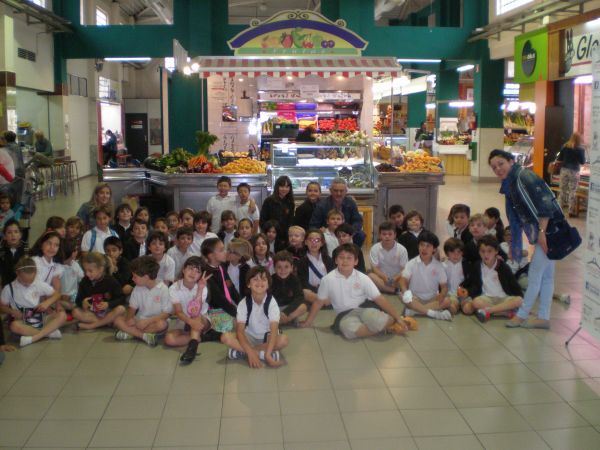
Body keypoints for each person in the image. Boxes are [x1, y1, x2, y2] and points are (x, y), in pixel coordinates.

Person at [489, 148, 563, 329]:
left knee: (535, 273)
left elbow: (545, 205)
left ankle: (521, 315)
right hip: (544, 231)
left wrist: (543, 234)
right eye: (494, 167)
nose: (498, 169)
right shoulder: (511, 184)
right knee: (546, 276)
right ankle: (544, 317)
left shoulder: (523, 177)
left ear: (511, 162)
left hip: (548, 230)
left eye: (501, 164)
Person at [300, 243, 410, 339]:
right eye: (341, 257)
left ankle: (392, 321)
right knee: (348, 331)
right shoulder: (327, 279)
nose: (345, 261)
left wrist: (397, 317)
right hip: (344, 314)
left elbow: (379, 299)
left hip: (365, 308)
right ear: (336, 260)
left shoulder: (363, 277)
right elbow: (318, 302)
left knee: (380, 321)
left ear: (356, 261)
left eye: (349, 258)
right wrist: (308, 322)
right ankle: (386, 329)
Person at [222, 266, 288, 367]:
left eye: (263, 279)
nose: (259, 283)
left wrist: (268, 354)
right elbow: (240, 331)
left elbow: (274, 330)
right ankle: (257, 353)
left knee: (283, 340)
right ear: (249, 284)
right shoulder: (243, 303)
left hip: (267, 337)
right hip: (249, 336)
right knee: (225, 337)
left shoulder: (272, 302)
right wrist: (251, 352)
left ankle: (244, 351)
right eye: (255, 279)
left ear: (268, 284)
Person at [0, 256, 67, 347]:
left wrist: (47, 303)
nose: (28, 284)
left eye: (31, 281)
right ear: (17, 273)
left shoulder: (37, 283)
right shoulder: (9, 289)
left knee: (62, 315)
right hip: (23, 320)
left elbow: (57, 294)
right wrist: (12, 311)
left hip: (39, 317)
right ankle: (49, 332)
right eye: (25, 281)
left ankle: (34, 338)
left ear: (35, 274)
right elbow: (2, 307)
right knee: (14, 326)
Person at [460, 236, 523, 323]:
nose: (486, 255)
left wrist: (521, 301)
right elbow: (473, 284)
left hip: (504, 298)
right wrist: (466, 291)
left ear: (496, 251)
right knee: (476, 302)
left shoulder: (503, 267)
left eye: (489, 251)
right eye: (482, 251)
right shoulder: (477, 266)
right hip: (487, 298)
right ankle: (504, 312)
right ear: (479, 252)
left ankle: (488, 311)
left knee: (519, 300)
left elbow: (515, 286)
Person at [113, 256, 171, 346]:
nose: (132, 279)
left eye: (135, 277)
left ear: (146, 277)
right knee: (117, 320)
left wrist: (147, 322)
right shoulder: (137, 288)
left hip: (154, 321)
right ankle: (143, 336)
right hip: (139, 320)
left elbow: (166, 314)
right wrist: (129, 319)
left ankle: (130, 333)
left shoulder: (163, 289)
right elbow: (132, 308)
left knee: (162, 325)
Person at [165, 256, 212, 364]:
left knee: (195, 315)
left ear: (200, 276)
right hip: (184, 320)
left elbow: (195, 311)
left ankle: (192, 349)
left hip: (202, 319)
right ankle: (199, 337)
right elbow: (179, 312)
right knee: (169, 339)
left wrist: (200, 289)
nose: (193, 273)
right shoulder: (174, 288)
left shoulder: (202, 287)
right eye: (191, 268)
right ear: (183, 269)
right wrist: (190, 322)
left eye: (198, 271)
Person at [399, 231, 452, 321]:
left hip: (432, 298)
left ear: (434, 249)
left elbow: (444, 286)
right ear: (418, 246)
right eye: (422, 245)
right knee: (402, 296)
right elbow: (403, 280)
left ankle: (415, 311)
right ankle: (433, 313)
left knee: (447, 301)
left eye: (428, 246)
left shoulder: (439, 266)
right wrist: (406, 292)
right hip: (415, 297)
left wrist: (442, 294)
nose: (424, 248)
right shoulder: (411, 263)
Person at [72, 252, 126, 330]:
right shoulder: (84, 281)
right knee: (75, 312)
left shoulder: (111, 281)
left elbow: (122, 298)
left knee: (121, 309)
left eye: (90, 271)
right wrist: (83, 303)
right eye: (85, 271)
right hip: (93, 313)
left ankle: (93, 325)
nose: (87, 274)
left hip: (108, 312)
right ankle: (106, 322)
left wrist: (108, 304)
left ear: (101, 269)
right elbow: (78, 300)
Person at [309, 178, 365, 247]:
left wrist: (350, 231)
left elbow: (358, 221)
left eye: (341, 191)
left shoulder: (351, 203)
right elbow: (313, 225)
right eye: (336, 191)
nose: (339, 193)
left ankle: (353, 254)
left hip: (346, 232)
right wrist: (319, 231)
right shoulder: (321, 205)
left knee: (361, 235)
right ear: (330, 191)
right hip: (328, 233)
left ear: (346, 191)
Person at [369, 221, 408, 295]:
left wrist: (395, 278)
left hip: (397, 279)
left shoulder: (402, 249)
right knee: (371, 276)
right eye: (384, 234)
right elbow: (375, 268)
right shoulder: (374, 248)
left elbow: (404, 268)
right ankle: (395, 290)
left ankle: (386, 289)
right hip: (382, 279)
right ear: (380, 235)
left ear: (395, 235)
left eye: (390, 234)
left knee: (409, 276)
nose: (387, 236)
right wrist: (384, 278)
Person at [296, 229, 334, 304]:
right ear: (306, 242)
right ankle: (324, 302)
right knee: (305, 292)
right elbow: (303, 282)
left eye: (317, 240)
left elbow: (333, 278)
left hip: (327, 291)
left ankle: (324, 301)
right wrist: (315, 289)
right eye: (311, 240)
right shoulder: (301, 262)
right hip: (312, 292)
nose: (314, 243)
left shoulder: (328, 260)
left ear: (322, 243)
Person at [271, 251, 307, 326]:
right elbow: (268, 299)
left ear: (291, 267)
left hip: (289, 308)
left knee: (303, 307)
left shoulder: (295, 279)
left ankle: (284, 320)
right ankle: (282, 321)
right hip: (275, 308)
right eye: (279, 267)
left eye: (286, 267)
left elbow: (300, 298)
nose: (283, 270)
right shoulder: (271, 280)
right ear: (274, 268)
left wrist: (286, 312)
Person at [557, 132, 586, 217]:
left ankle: (559, 210)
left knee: (562, 190)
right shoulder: (580, 149)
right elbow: (582, 162)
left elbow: (559, 159)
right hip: (574, 171)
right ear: (579, 139)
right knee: (572, 191)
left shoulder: (565, 146)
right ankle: (571, 211)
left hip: (564, 170)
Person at [260, 175, 295, 242]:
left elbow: (290, 221)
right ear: (277, 187)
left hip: (284, 237)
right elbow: (262, 220)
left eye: (287, 186)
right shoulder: (269, 201)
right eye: (282, 186)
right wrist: (269, 233)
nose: (284, 189)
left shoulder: (290, 202)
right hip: (270, 236)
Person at [0, 220, 27, 286]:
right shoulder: (1, 252)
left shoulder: (27, 251)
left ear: (20, 235)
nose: (13, 235)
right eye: (9, 232)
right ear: (4, 236)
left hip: (23, 286)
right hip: (5, 287)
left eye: (16, 232)